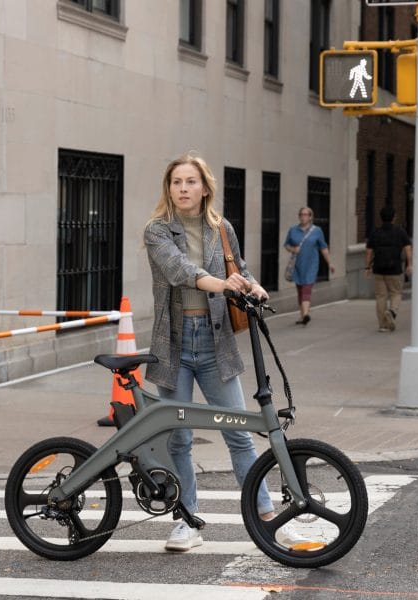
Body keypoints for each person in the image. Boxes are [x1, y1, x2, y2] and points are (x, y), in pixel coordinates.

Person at [143, 152, 306, 552]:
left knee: (240, 435)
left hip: (216, 344)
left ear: (205, 188)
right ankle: (187, 522)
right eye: (176, 182)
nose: (183, 189)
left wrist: (253, 285)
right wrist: (224, 284)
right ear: (169, 188)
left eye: (190, 182)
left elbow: (240, 268)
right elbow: (179, 270)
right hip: (175, 345)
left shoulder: (221, 228)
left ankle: (270, 519)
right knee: (179, 438)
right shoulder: (157, 231)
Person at [365, 205, 412, 332]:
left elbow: (369, 251)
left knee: (381, 296)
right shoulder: (400, 231)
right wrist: (409, 264)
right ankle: (392, 312)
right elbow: (408, 248)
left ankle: (383, 325)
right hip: (395, 269)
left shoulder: (375, 232)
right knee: (396, 293)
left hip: (378, 269)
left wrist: (367, 267)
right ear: (394, 218)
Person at [284, 207, 334, 325]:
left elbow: (323, 248)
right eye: (301, 214)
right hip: (297, 265)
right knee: (300, 289)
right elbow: (286, 245)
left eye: (306, 215)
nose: (303, 217)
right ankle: (302, 316)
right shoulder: (293, 230)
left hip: (311, 264)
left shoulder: (317, 231)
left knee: (307, 288)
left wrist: (330, 263)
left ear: (310, 217)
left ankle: (306, 314)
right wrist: (293, 249)